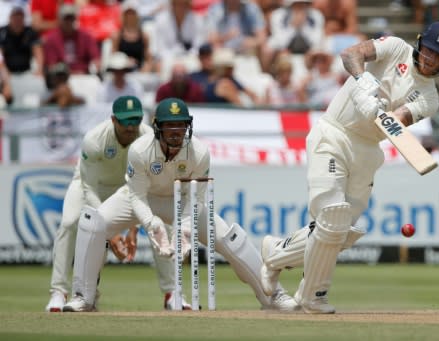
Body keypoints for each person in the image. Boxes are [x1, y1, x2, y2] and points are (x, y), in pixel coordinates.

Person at [258, 21, 439, 314]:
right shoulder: (395, 48)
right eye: (428, 50)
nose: (430, 58)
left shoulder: (430, 99)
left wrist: (379, 112)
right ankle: (313, 296)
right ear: (419, 44)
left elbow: (397, 121)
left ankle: (276, 255)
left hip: (367, 151)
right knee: (331, 213)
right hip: (334, 133)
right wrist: (363, 81)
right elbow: (351, 54)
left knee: (342, 232)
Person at [62, 97, 298, 312]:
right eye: (170, 125)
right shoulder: (140, 150)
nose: (176, 131)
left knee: (229, 237)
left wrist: (184, 230)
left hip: (183, 201)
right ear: (158, 127)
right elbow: (137, 196)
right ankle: (84, 296)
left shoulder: (199, 152)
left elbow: (196, 199)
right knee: (92, 223)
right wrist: (152, 225)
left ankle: (273, 295)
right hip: (142, 198)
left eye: (181, 125)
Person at [45, 95, 182, 312]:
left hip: (128, 190)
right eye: (125, 121)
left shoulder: (150, 138)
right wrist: (112, 234)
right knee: (70, 223)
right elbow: (89, 189)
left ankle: (171, 292)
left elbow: (144, 187)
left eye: (135, 120)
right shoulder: (94, 139)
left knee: (159, 224)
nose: (131, 127)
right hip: (90, 186)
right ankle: (59, 292)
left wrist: (133, 229)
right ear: (113, 120)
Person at [43, 4, 101, 75]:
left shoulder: (86, 37)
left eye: (71, 19)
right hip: (61, 77)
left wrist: (94, 68)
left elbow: (96, 58)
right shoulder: (52, 39)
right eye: (66, 19)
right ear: (60, 20)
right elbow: (51, 65)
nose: (69, 22)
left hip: (84, 75)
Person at [0, 6, 44, 76]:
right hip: (6, 71)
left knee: (39, 81)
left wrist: (39, 69)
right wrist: (4, 73)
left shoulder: (30, 32)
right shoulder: (3, 32)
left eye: (20, 18)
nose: (17, 20)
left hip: (26, 71)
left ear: (23, 19)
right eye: (15, 17)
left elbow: (38, 51)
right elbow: (0, 54)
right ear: (10, 18)